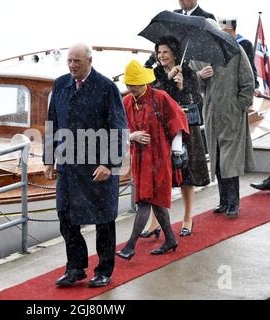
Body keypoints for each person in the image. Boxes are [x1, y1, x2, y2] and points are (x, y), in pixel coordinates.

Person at [43, 43, 127, 288]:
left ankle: (104, 269)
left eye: (76, 62)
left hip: (97, 166)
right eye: (69, 61)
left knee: (103, 220)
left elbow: (119, 129)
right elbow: (52, 121)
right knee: (65, 216)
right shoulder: (60, 84)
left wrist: (109, 164)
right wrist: (49, 159)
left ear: (89, 61)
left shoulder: (106, 88)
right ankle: (76, 267)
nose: (72, 66)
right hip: (68, 167)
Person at [116, 60, 189, 260]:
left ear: (144, 82)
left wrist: (175, 154)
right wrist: (132, 136)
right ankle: (171, 239)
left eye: (135, 84)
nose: (131, 88)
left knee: (145, 201)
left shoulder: (160, 97)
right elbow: (117, 130)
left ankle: (130, 245)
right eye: (129, 84)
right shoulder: (126, 103)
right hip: (139, 159)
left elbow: (178, 122)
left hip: (160, 158)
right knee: (153, 202)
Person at [141, 36, 210, 238]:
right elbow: (150, 98)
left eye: (165, 52)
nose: (161, 55)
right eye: (159, 52)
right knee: (161, 176)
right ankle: (155, 221)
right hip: (161, 130)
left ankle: (188, 218)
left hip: (185, 130)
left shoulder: (188, 72)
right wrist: (166, 81)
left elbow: (197, 101)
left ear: (174, 54)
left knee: (186, 175)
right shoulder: (152, 74)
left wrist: (182, 87)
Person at [191, 19, 255, 219]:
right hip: (211, 115)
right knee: (217, 159)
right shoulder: (199, 56)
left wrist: (239, 106)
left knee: (230, 160)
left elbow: (248, 82)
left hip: (231, 114)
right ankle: (223, 201)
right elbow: (192, 86)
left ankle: (234, 203)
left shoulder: (235, 50)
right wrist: (200, 76)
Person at [144, 0, 216, 69]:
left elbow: (214, 49)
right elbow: (164, 43)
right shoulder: (174, 15)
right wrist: (148, 63)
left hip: (194, 70)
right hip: (171, 69)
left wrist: (200, 74)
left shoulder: (207, 19)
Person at [218, 18, 261, 97]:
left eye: (221, 27)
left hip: (240, 87)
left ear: (229, 28)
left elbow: (250, 67)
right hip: (223, 89)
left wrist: (254, 87)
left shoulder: (245, 44)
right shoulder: (220, 45)